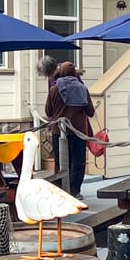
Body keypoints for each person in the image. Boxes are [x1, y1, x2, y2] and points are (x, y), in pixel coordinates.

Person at [44, 60, 95, 198]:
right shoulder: (82, 89)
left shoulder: (53, 89)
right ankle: (75, 191)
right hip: (78, 132)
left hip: (59, 131)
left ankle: (61, 190)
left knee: (61, 162)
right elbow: (90, 112)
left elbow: (48, 111)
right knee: (78, 162)